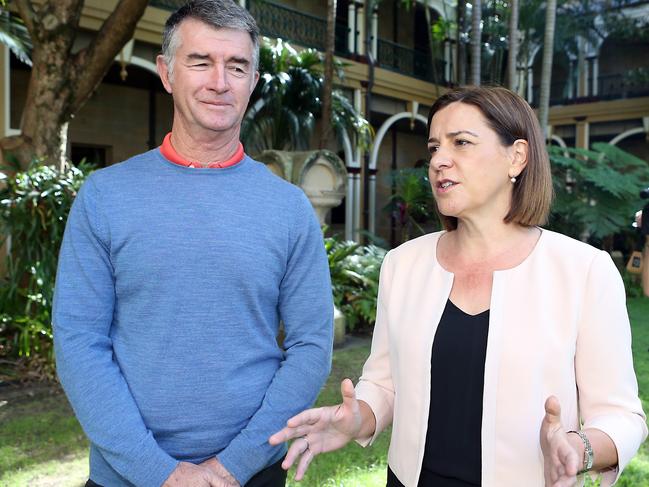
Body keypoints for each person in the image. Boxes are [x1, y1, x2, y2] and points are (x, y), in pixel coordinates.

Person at [269, 86, 647, 487]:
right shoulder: (403, 265)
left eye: (461, 143)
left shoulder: (584, 270)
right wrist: (359, 417)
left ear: (516, 157)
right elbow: (383, 383)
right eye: (434, 148)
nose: (438, 161)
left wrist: (579, 447)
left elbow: (622, 415)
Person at [53, 1, 333, 486]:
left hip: (250, 474)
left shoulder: (288, 208)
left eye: (237, 66)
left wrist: (233, 465)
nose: (219, 81)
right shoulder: (105, 196)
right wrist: (157, 471)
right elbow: (79, 341)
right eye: (201, 62)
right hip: (127, 475)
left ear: (253, 80)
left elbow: (312, 345)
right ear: (166, 72)